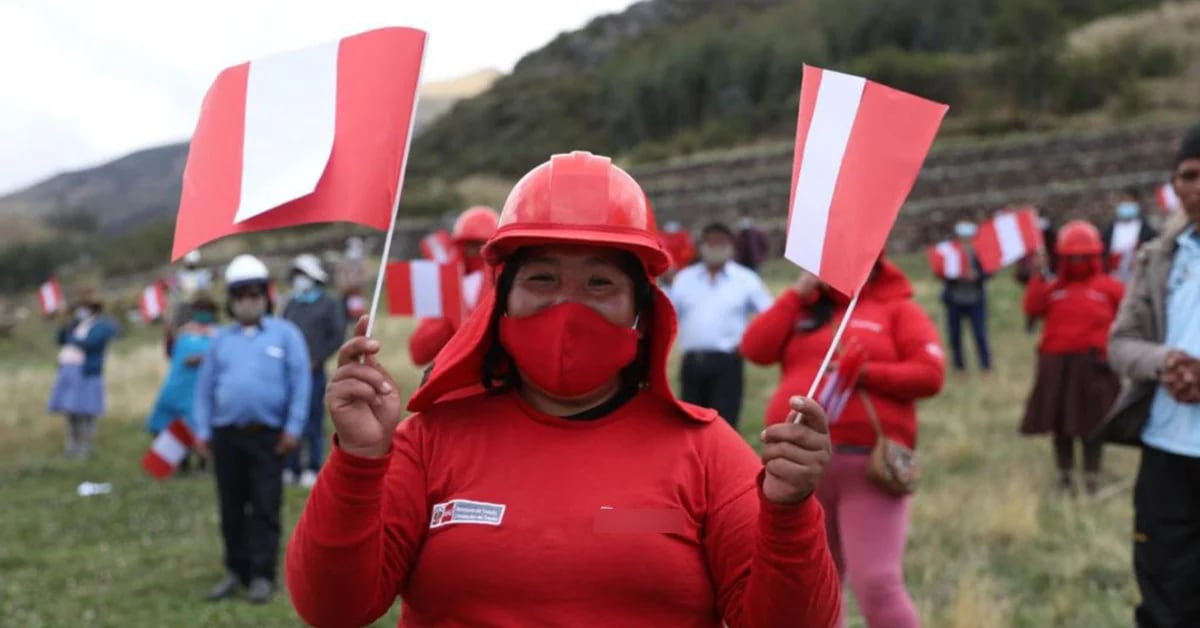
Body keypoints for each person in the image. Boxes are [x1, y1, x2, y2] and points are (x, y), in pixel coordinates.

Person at [286, 151, 841, 627]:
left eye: (600, 283)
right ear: (501, 304)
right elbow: (332, 608)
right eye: (542, 279)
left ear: (642, 315)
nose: (567, 305)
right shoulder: (430, 439)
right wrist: (360, 462)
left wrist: (788, 514)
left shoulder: (706, 449)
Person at [742, 259, 944, 628]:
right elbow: (755, 347)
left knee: (878, 583)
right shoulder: (805, 309)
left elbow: (930, 374)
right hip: (797, 469)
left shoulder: (896, 308)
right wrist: (797, 294)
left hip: (866, 465)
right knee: (819, 587)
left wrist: (865, 374)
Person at [1103, 124, 1200, 627]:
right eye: (1190, 175)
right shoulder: (1159, 258)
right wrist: (1167, 363)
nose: (1198, 187)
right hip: (1167, 452)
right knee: (1164, 598)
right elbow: (1120, 344)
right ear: (1175, 185)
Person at [193, 254, 311, 604]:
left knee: (264, 506)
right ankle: (236, 570)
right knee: (231, 506)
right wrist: (202, 431)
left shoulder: (286, 335)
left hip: (268, 438)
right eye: (240, 294)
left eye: (254, 293)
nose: (248, 300)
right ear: (231, 300)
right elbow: (204, 389)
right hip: (227, 436)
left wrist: (293, 429)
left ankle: (262, 575)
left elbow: (301, 384)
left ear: (266, 295)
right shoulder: (220, 341)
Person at [1020, 221, 1124, 496]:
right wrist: (1037, 275)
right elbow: (1033, 308)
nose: (1077, 261)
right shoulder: (1052, 288)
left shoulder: (1110, 289)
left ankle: (1092, 479)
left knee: (1093, 425)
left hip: (1095, 366)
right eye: (1072, 257)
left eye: (1083, 256)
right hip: (1057, 366)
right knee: (1061, 425)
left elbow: (1128, 320)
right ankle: (1065, 479)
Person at [667, 222, 773, 428]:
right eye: (711, 242)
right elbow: (669, 313)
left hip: (728, 363)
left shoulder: (745, 279)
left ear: (731, 246)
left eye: (722, 242)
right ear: (702, 246)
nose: (716, 247)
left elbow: (768, 315)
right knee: (690, 425)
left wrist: (750, 343)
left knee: (724, 425)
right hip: (692, 363)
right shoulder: (685, 279)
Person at [282, 254, 346, 488]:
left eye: (303, 274)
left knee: (313, 420)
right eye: (296, 274)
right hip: (290, 372)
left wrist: (318, 358)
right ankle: (291, 466)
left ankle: (311, 466)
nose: (299, 279)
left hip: (314, 371)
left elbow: (337, 335)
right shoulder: (291, 302)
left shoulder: (328, 303)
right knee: (291, 418)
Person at [408, 206, 499, 366]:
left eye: (483, 245)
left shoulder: (507, 280)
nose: (477, 252)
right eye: (470, 245)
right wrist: (451, 308)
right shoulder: (441, 282)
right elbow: (419, 352)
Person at [146, 292, 219, 474]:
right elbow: (171, 353)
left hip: (200, 390)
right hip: (177, 386)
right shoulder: (183, 332)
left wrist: (202, 358)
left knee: (199, 426)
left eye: (206, 310)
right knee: (170, 424)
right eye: (200, 310)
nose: (203, 314)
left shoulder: (218, 334)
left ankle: (203, 465)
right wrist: (168, 329)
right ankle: (181, 463)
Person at [48, 288, 120, 458]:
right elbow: (60, 339)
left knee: (84, 412)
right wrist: (63, 324)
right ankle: (71, 447)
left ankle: (84, 447)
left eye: (85, 307)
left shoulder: (102, 325)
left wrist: (70, 336)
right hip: (69, 371)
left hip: (87, 372)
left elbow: (89, 343)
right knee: (70, 412)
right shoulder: (76, 324)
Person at [941, 221, 992, 373]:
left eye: (968, 236)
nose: (966, 240)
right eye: (963, 237)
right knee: (955, 336)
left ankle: (985, 366)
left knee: (980, 334)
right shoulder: (950, 252)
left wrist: (977, 276)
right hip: (955, 300)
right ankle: (959, 367)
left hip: (975, 299)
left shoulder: (980, 252)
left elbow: (988, 272)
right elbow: (942, 273)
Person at [1102, 188, 1159, 283]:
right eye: (1123, 201)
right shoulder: (1109, 230)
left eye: (1129, 201)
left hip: (1139, 279)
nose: (1126, 204)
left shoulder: (1147, 231)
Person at [336, 236, 369, 329]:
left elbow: (365, 281)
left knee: (361, 323)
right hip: (345, 299)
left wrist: (354, 283)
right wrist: (354, 283)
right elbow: (342, 284)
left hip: (359, 298)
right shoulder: (342, 264)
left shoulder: (363, 264)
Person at [734, 208, 769, 273]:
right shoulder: (738, 234)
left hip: (754, 261)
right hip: (742, 262)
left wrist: (760, 256)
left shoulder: (757, 232)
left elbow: (764, 245)